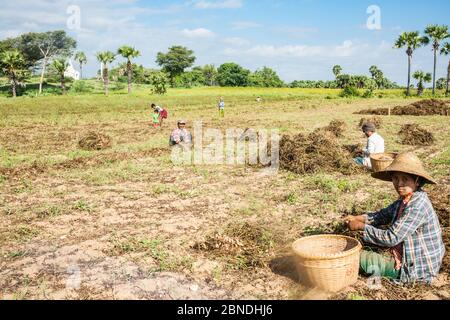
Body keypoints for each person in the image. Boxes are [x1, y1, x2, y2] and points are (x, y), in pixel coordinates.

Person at [343, 152, 445, 284]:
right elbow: (381, 215)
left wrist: (361, 226)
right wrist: (358, 218)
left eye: (405, 179)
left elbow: (390, 238)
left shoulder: (417, 206)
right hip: (408, 254)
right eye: (395, 178)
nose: (399, 184)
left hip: (418, 269)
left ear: (417, 181)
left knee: (355, 259)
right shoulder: (406, 199)